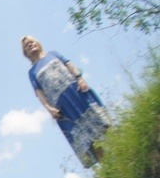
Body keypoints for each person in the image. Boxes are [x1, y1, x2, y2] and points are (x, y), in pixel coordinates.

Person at [22, 35, 112, 168]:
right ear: (25, 53)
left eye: (31, 42)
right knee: (87, 140)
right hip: (63, 108)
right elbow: (39, 93)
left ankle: (121, 147)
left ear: (38, 43)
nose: (30, 45)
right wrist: (49, 108)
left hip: (77, 93)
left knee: (101, 124)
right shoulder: (32, 72)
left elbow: (69, 65)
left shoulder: (52, 54)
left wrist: (79, 78)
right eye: (26, 46)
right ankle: (108, 167)